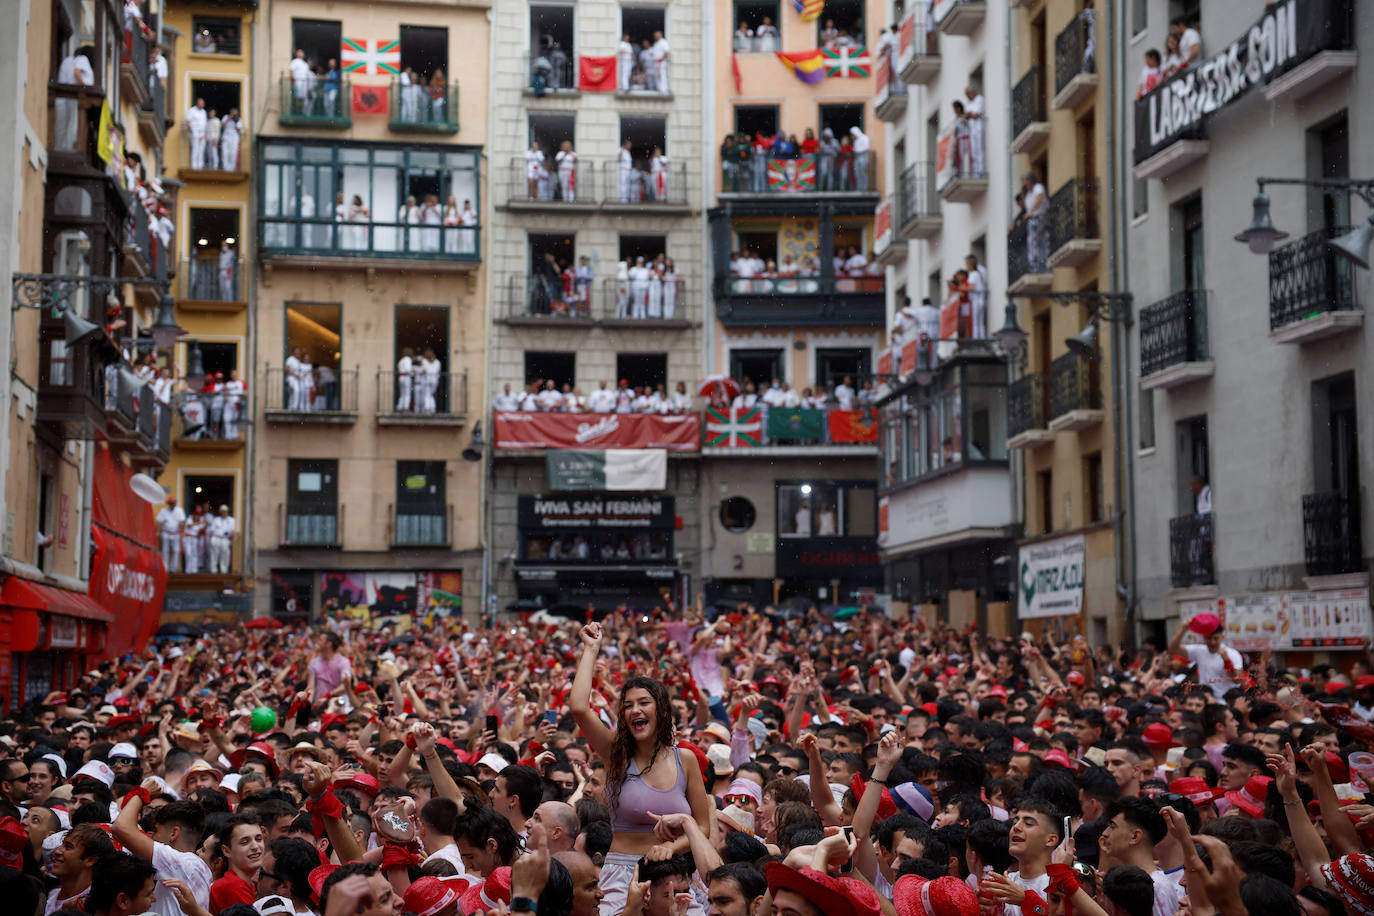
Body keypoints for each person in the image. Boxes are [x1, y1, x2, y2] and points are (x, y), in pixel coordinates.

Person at [570, 622, 712, 915]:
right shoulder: (616, 754)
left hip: (676, 878)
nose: (635, 710)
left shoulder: (684, 759)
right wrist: (590, 650)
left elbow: (703, 826)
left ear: (660, 710)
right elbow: (580, 708)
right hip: (623, 875)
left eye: (644, 703)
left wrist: (671, 848)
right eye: (628, 705)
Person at [156, 497, 185, 573]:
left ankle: (174, 568)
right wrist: (158, 532)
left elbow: (181, 522)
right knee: (165, 551)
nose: (172, 504)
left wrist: (181, 531)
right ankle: (165, 568)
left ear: (175, 503)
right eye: (171, 503)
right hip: (166, 533)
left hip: (175, 533)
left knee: (176, 551)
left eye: (173, 503)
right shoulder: (163, 511)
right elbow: (160, 522)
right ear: (168, 504)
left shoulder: (179, 510)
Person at [963, 86, 985, 177]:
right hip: (972, 130)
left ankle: (981, 171)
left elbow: (976, 115)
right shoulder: (970, 104)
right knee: (974, 151)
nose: (968, 96)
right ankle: (975, 173)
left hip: (979, 128)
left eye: (968, 94)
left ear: (973, 92)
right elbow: (965, 117)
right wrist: (968, 115)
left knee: (980, 150)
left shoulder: (980, 99)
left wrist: (969, 115)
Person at [965, 253, 988, 339]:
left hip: (976, 299)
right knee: (980, 322)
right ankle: (981, 338)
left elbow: (971, 287)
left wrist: (962, 288)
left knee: (975, 322)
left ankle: (976, 339)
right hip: (981, 299)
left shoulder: (973, 274)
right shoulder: (979, 272)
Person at [208, 504, 236, 574]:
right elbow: (212, 531)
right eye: (222, 511)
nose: (224, 513)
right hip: (216, 538)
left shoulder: (231, 520)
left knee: (225, 556)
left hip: (225, 539)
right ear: (220, 512)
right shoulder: (216, 519)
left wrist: (231, 541)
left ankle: (224, 571)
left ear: (227, 512)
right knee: (214, 555)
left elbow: (232, 532)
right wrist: (212, 540)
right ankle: (213, 570)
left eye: (225, 511)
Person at [185, 98, 208, 169]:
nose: (202, 104)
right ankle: (194, 166)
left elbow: (204, 123)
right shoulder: (192, 110)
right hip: (194, 132)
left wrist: (205, 134)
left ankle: (200, 166)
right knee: (195, 149)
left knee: (201, 150)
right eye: (201, 103)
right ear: (198, 103)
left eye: (203, 103)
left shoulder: (204, 112)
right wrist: (192, 131)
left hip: (202, 133)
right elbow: (188, 122)